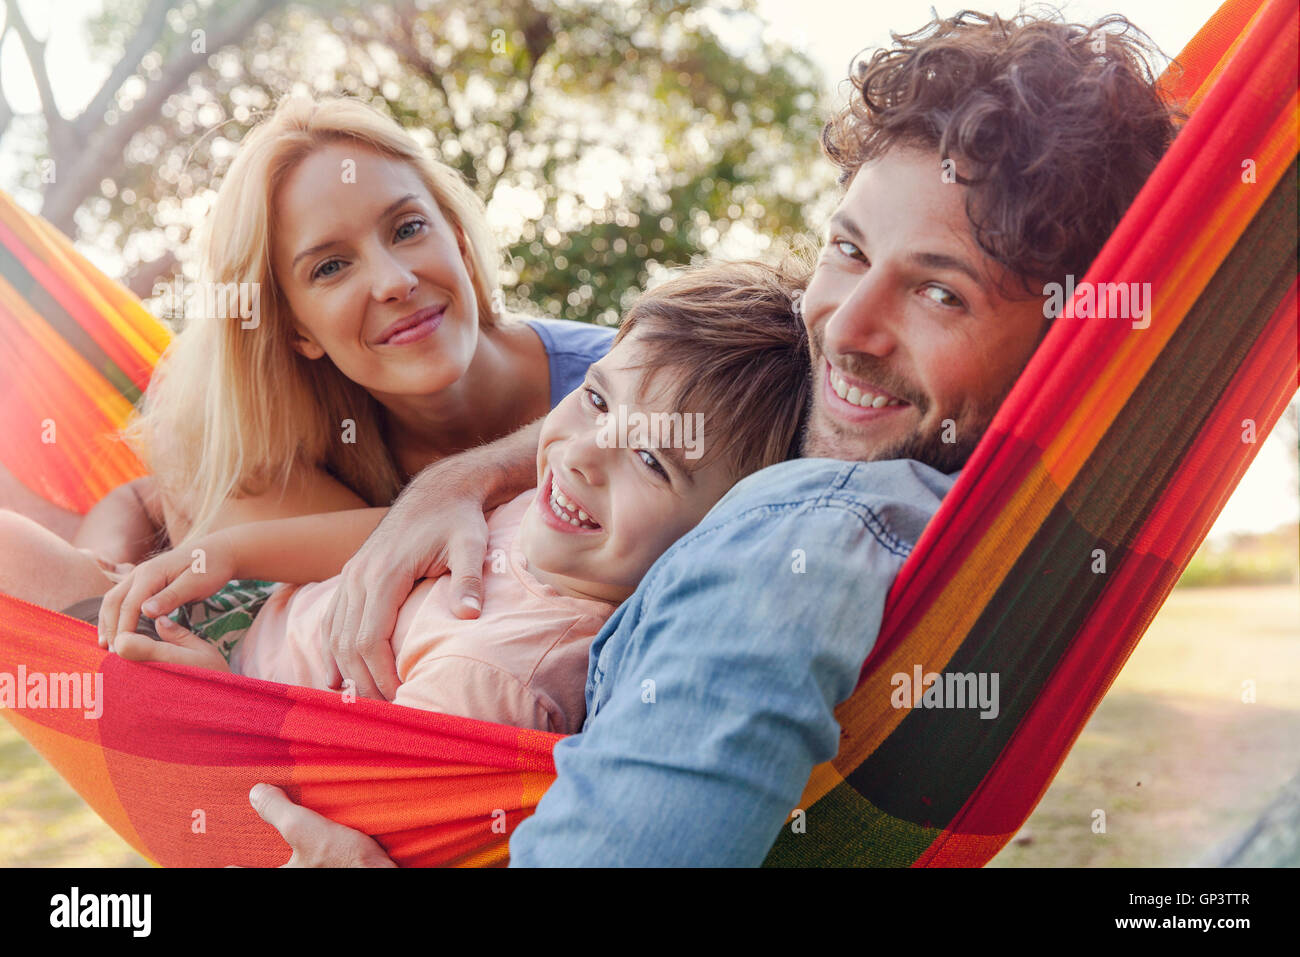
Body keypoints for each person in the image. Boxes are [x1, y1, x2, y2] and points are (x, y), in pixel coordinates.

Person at [178, 9, 1184, 864]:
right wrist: (462, 484)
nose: (842, 324)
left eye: (937, 291)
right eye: (845, 249)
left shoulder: (799, 541)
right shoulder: (809, 395)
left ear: (1070, 340)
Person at [102, 262, 811, 735]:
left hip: (234, 689)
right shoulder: (553, 515)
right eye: (596, 398)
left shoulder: (498, 676)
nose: (584, 453)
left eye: (652, 460)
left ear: (720, 533)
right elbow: (390, 541)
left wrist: (220, 701)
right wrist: (227, 552)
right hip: (253, 608)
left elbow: (348, 800)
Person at [0, 95, 612, 629]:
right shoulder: (311, 434)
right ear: (296, 332)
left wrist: (469, 479)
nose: (394, 281)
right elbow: (147, 497)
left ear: (456, 237)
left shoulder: (625, 376)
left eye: (408, 228)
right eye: (330, 267)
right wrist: (107, 589)